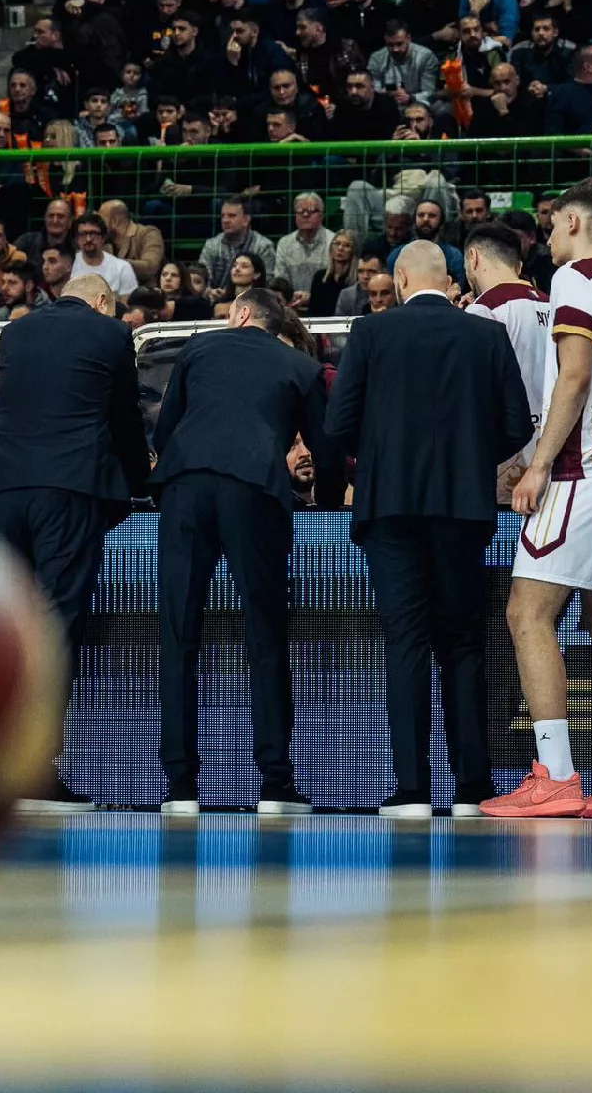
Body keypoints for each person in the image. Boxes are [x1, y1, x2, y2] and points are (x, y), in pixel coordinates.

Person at [327, 240, 532, 818]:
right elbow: (517, 424)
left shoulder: (371, 332)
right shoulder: (486, 335)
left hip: (390, 508)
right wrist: (471, 459)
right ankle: (472, 789)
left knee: (407, 642)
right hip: (463, 509)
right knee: (463, 643)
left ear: (398, 281)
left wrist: (380, 456)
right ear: (447, 282)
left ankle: (412, 790)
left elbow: (338, 423)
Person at [479, 181, 592, 821]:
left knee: (527, 613)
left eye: (554, 226)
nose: (548, 239)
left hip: (581, 467)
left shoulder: (575, 279)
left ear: (578, 223)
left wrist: (539, 465)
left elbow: (575, 375)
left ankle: (554, 776)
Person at [150, 287, 340, 815]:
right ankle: (275, 785)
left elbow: (165, 431)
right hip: (255, 490)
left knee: (178, 635)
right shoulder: (300, 366)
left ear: (238, 313)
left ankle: (180, 788)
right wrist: (326, 502)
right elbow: (326, 450)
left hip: (185, 488)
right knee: (265, 636)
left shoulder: (197, 348)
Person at [0, 274, 149, 812]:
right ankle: (35, 771)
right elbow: (125, 418)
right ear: (102, 301)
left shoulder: (15, 332)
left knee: (12, 627)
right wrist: (141, 480)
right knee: (53, 630)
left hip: (4, 488)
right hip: (68, 488)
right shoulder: (110, 333)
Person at [463, 225, 549, 510]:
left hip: (508, 453)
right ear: (518, 266)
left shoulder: (484, 309)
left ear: (473, 257)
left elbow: (473, 393)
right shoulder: (554, 304)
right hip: (553, 449)